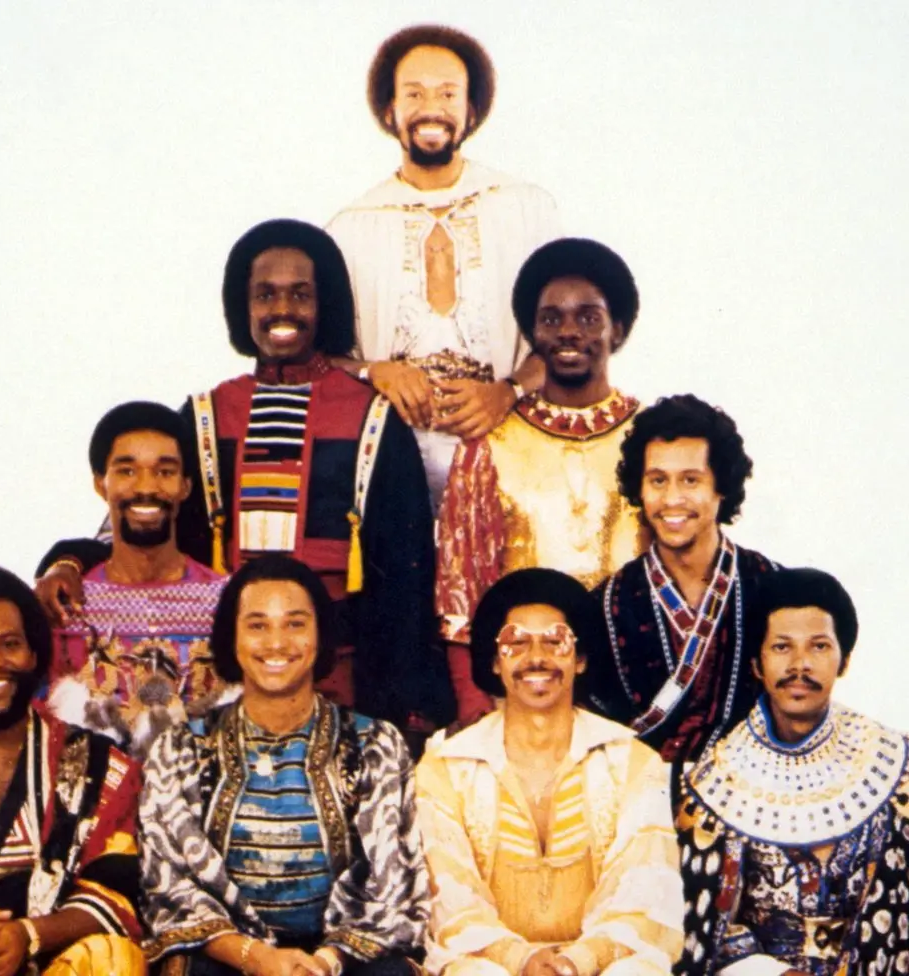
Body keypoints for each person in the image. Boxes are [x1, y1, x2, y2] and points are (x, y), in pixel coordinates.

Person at [36, 219, 452, 737]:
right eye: (265, 294)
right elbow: (140, 521)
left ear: (325, 305)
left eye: (300, 294)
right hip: (222, 685)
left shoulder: (373, 415)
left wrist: (406, 706)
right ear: (243, 306)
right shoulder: (208, 415)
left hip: (348, 679)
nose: (283, 309)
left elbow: (410, 573)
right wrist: (69, 561)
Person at [140, 554, 427, 976]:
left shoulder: (373, 744)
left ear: (321, 636)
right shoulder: (182, 748)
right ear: (232, 638)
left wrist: (324, 963)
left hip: (342, 962)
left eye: (295, 624)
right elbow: (170, 887)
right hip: (230, 958)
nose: (276, 643)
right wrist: (257, 958)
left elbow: (390, 886)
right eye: (257, 626)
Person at [326, 24, 561, 507]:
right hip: (389, 472)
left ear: (470, 111)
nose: (431, 107)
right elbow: (322, 358)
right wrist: (376, 372)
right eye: (414, 93)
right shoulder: (349, 229)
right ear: (389, 110)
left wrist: (508, 391)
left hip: (513, 465)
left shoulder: (526, 210)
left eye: (448, 93)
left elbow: (565, 341)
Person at [417, 568, 683, 976]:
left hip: (599, 964)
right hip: (494, 964)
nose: (536, 658)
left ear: (581, 659)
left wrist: (577, 962)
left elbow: (644, 899)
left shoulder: (631, 761)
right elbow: (452, 904)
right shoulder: (447, 767)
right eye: (516, 642)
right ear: (494, 662)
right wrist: (521, 959)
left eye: (555, 640)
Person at [436, 238, 645, 722]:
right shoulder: (488, 444)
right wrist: (475, 706)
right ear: (532, 332)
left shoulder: (649, 436)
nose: (569, 331)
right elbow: (458, 591)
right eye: (551, 319)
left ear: (617, 329)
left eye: (588, 318)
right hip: (521, 694)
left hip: (633, 693)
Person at [676, 568, 909, 976]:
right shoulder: (711, 782)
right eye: (782, 647)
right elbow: (703, 928)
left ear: (844, 660)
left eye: (819, 647)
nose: (800, 665)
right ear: (756, 663)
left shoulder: (896, 763)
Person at [0, 564, 144, 976]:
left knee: (115, 958)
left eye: (9, 644)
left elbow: (115, 894)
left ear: (33, 653)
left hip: (52, 962)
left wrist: (27, 935)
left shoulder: (99, 764)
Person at [585, 394, 777, 763]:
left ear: (722, 486)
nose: (672, 499)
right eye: (658, 480)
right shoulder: (605, 605)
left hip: (755, 790)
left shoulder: (773, 588)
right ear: (640, 489)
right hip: (639, 794)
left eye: (691, 480)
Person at [46, 401, 227, 758]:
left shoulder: (227, 600)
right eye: (127, 471)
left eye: (165, 471)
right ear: (101, 483)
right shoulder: (69, 607)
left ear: (186, 485)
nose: (146, 487)